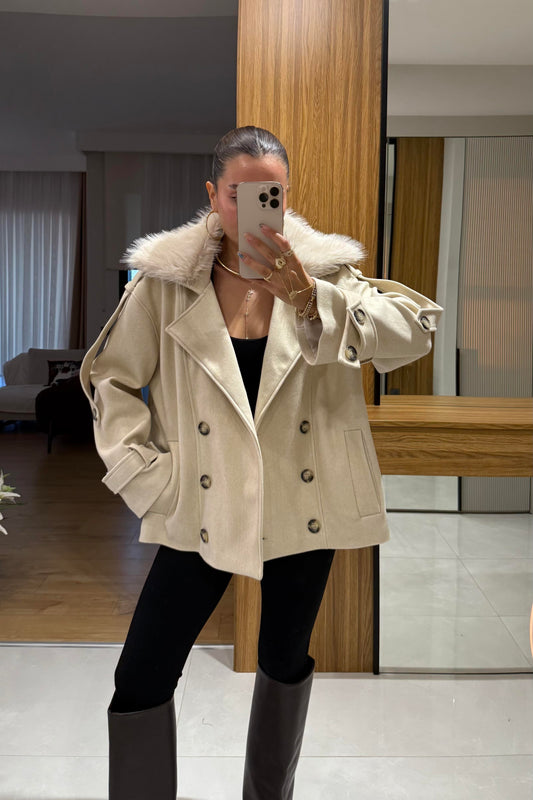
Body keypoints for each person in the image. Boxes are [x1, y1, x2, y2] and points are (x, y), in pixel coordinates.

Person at [80, 126, 442, 800]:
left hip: (299, 502)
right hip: (202, 500)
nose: (253, 208)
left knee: (282, 661)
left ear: (286, 194)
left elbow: (413, 336)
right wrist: (148, 477)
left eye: (269, 194)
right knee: (141, 676)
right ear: (213, 193)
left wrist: (310, 298)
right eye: (237, 194)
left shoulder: (325, 271)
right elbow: (112, 379)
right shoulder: (165, 283)